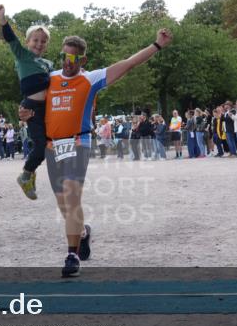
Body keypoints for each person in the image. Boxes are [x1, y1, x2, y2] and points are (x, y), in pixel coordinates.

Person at [19, 28, 173, 277]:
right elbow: (33, 101)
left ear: (82, 60)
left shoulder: (90, 78)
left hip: (78, 142)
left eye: (72, 59)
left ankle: (71, 255)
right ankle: (81, 233)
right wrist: (24, 112)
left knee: (71, 197)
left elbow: (128, 64)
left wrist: (156, 45)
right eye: (63, 57)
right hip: (51, 145)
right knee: (63, 205)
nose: (66, 63)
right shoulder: (51, 77)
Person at [0, 5, 54, 199]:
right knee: (40, 147)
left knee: (49, 144)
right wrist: (3, 20)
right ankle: (26, 175)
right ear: (28, 42)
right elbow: (11, 39)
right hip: (32, 108)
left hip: (48, 109)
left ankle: (34, 174)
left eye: (43, 41)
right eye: (36, 40)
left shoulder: (48, 64)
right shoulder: (23, 56)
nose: (39, 44)